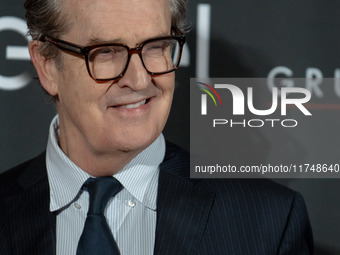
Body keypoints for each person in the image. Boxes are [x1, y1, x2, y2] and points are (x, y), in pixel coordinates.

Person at [0, 0, 313, 254]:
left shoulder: (267, 223)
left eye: (156, 46)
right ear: (46, 66)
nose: (139, 80)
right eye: (106, 51)